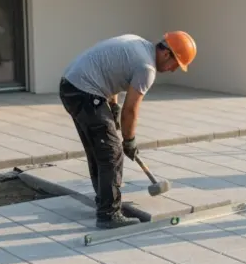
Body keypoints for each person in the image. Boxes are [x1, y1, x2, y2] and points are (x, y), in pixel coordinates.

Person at [59, 32, 196, 229]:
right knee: (112, 153)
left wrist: (112, 109)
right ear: (167, 54)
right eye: (176, 65)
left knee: (98, 148)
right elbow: (130, 110)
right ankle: (109, 214)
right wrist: (129, 140)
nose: (174, 70)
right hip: (85, 92)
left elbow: (110, 74)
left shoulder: (137, 44)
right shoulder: (147, 68)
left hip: (71, 86)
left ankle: (104, 199)